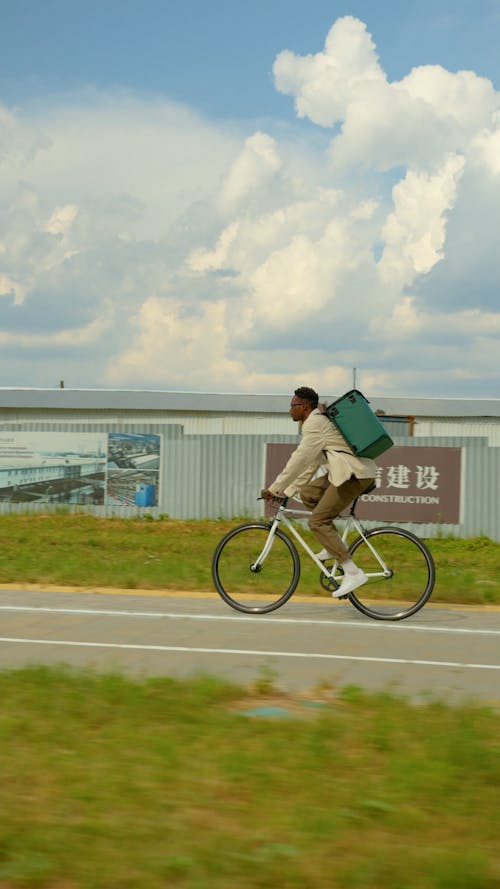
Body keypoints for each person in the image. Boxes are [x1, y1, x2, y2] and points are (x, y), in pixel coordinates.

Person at [261, 386, 376, 598]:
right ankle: (333, 547)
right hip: (346, 473)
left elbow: (299, 459)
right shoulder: (317, 423)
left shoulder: (314, 424)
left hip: (353, 475)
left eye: (293, 405)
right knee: (308, 494)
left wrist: (274, 488)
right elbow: (310, 466)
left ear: (304, 407)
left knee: (317, 522)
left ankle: (352, 571)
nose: (290, 410)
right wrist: (287, 492)